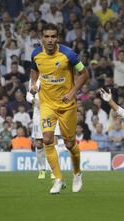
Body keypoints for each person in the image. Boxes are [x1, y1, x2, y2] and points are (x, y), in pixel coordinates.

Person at [30, 23, 89, 194]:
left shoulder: (68, 54)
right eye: (46, 36)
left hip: (66, 105)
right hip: (47, 104)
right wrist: (34, 84)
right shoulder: (36, 54)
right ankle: (58, 179)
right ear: (42, 37)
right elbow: (34, 70)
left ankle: (77, 173)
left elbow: (85, 74)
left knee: (70, 144)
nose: (50, 40)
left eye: (53, 36)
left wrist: (72, 92)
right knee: (47, 139)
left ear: (58, 38)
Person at [26, 79, 62, 179]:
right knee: (38, 143)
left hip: (53, 112)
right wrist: (34, 100)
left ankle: (54, 170)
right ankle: (42, 169)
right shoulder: (34, 80)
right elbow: (28, 95)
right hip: (38, 113)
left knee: (53, 141)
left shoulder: (54, 76)